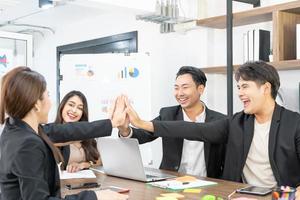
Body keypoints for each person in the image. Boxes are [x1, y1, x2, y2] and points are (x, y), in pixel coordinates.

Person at [122, 61, 300, 188]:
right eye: (238, 87)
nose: (239, 93)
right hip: (239, 194)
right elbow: (194, 129)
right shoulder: (236, 123)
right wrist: (141, 123)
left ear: (266, 88)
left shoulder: (295, 123)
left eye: (245, 86)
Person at [0, 67, 128, 200]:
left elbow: (67, 131)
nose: (50, 103)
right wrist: (95, 196)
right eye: (47, 96)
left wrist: (112, 123)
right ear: (37, 104)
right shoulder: (28, 143)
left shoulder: (14, 128)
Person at [119, 66, 226, 178]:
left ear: (200, 89)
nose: (179, 93)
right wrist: (124, 129)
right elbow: (144, 135)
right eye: (176, 88)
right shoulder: (168, 114)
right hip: (171, 182)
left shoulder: (220, 120)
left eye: (185, 87)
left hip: (209, 185)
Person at [54, 91, 101, 173]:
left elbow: (99, 161)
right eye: (71, 105)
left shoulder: (86, 134)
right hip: (63, 184)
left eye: (80, 108)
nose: (74, 110)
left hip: (87, 183)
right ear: (62, 106)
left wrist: (84, 164)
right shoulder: (52, 133)